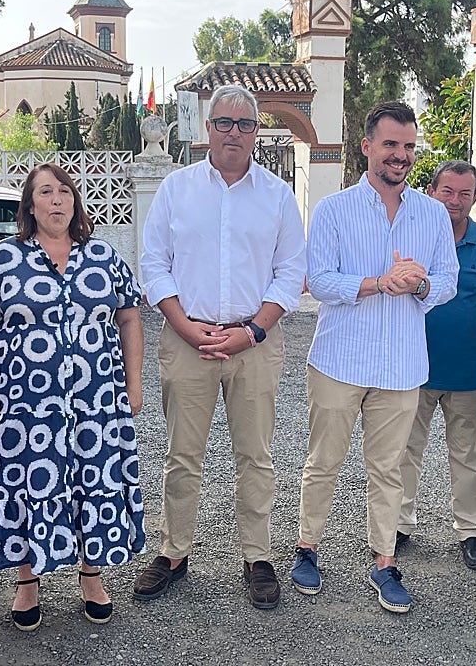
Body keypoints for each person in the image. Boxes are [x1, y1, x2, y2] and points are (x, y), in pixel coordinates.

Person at [133, 84, 306, 610]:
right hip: (188, 339)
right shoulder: (176, 189)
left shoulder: (277, 195)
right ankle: (173, 552)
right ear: (207, 128)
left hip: (254, 341)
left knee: (256, 455)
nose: (234, 133)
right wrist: (184, 326)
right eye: (224, 123)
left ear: (257, 131)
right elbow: (153, 263)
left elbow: (290, 270)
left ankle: (257, 556)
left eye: (245, 125)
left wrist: (252, 330)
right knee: (182, 454)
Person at [288, 102, 458, 613]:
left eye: (408, 147)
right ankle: (307, 548)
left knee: (389, 469)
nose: (401, 156)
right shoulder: (334, 209)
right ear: (367, 147)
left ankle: (384, 562)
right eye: (391, 145)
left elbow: (447, 282)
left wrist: (421, 283)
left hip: (403, 364)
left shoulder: (431, 214)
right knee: (324, 462)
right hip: (340, 359)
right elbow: (317, 281)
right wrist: (376, 284)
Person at [0, 163, 145, 630]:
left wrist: (134, 382)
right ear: (30, 203)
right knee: (30, 482)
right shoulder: (3, 259)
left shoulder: (104, 257)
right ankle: (27, 581)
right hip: (26, 403)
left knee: (93, 479)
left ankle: (91, 574)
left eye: (65, 191)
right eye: (46, 192)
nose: (57, 200)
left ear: (75, 201)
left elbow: (128, 319)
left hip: (95, 399)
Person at [397, 161, 476, 570]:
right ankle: (399, 523)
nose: (454, 201)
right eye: (447, 192)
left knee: (466, 455)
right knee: (405, 451)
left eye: (464, 194)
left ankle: (470, 531)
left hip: (467, 373)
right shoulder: (414, 237)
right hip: (414, 368)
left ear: (475, 198)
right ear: (431, 191)